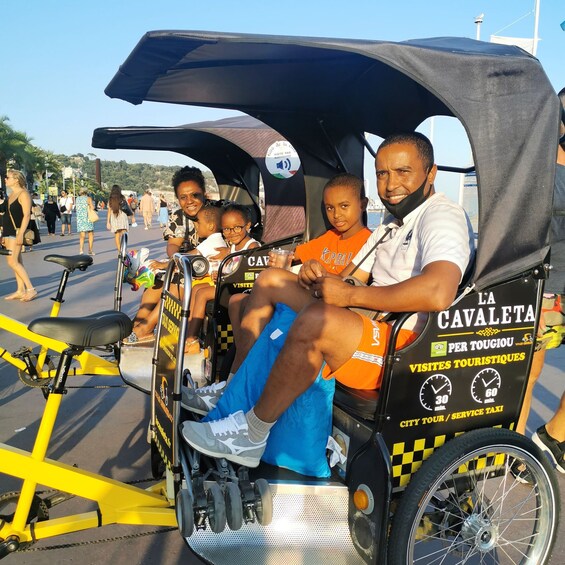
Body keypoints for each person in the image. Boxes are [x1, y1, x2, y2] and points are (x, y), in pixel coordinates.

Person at [181, 132, 474, 468]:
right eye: (382, 173)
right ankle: (234, 389)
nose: (391, 184)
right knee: (272, 280)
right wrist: (316, 277)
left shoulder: (441, 216)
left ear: (430, 173)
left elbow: (439, 291)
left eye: (403, 172)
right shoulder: (391, 226)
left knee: (315, 321)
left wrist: (350, 293)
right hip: (368, 318)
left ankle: (252, 433)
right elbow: (351, 277)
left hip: (404, 346)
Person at [225, 173, 372, 373]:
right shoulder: (330, 237)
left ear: (363, 204)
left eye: (344, 206)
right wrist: (280, 259)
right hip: (312, 296)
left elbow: (349, 284)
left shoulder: (367, 242)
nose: (336, 215)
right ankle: (250, 365)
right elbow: (294, 255)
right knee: (236, 301)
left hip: (332, 307)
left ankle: (237, 376)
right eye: (330, 208)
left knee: (269, 280)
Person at [516, 87, 565, 476]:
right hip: (545, 284)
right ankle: (517, 450)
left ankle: (554, 435)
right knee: (527, 375)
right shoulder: (541, 168)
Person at [124, 166, 211, 343]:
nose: (190, 201)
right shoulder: (179, 216)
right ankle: (138, 325)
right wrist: (175, 258)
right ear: (178, 199)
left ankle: (146, 327)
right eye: (183, 197)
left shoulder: (214, 213)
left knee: (175, 284)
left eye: (195, 195)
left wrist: (180, 261)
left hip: (208, 268)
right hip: (184, 264)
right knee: (154, 285)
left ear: (204, 193)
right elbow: (173, 244)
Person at [184, 204, 260, 355]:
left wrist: (222, 276)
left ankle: (191, 339)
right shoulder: (233, 247)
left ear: (248, 225)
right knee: (197, 288)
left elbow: (248, 274)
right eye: (226, 229)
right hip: (229, 284)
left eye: (237, 228)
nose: (231, 233)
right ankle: (192, 331)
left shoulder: (252, 247)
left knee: (203, 294)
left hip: (242, 289)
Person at [2, 169, 37, 301]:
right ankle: (20, 290)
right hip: (8, 231)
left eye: (7, 177)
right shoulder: (11, 195)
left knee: (12, 261)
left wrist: (21, 233)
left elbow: (27, 215)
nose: (5, 179)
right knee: (16, 261)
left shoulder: (23, 194)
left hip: (16, 232)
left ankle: (31, 289)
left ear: (16, 179)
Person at [107, 185, 129, 251]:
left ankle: (119, 251)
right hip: (122, 216)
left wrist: (108, 222)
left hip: (114, 216)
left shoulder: (110, 199)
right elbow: (126, 207)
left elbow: (109, 211)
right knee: (124, 234)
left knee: (117, 235)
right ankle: (124, 249)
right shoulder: (122, 198)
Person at [75, 188, 95, 255]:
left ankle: (81, 250)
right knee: (90, 234)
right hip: (87, 217)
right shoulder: (88, 198)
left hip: (80, 218)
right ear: (86, 192)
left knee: (82, 235)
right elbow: (92, 207)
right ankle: (90, 250)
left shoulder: (77, 199)